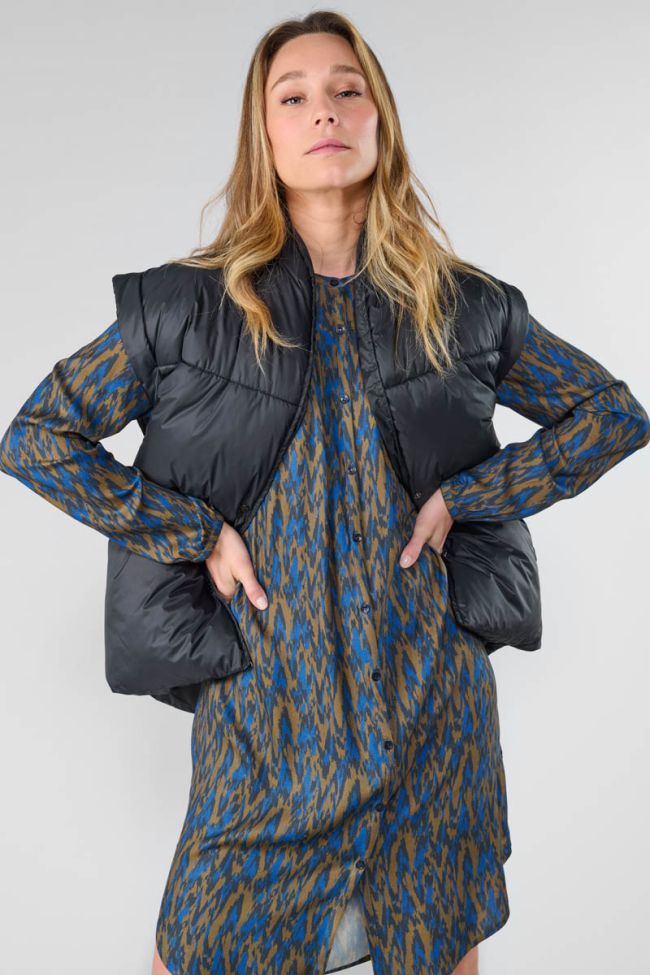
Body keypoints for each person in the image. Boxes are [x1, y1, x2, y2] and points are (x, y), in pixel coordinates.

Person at [1, 11, 648, 975]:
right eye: (293, 96)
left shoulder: (464, 307)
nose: (324, 112)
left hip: (431, 711)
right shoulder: (188, 308)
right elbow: (38, 438)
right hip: (268, 725)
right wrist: (191, 530)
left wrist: (471, 494)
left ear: (381, 118)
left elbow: (610, 413)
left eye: (348, 90)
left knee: (436, 949)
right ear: (263, 133)